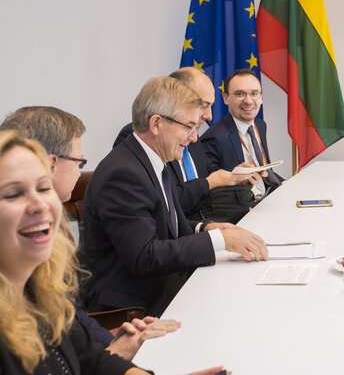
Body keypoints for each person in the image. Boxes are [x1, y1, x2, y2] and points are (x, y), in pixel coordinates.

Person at [0, 106, 180, 360]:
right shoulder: (35, 235)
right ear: (51, 163)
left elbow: (65, 314)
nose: (38, 204)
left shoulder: (48, 228)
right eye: (79, 162)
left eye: (42, 189)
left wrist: (112, 350)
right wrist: (111, 352)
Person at [80, 76, 269, 317]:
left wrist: (206, 229)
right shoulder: (124, 173)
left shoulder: (154, 158)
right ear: (157, 123)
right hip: (133, 305)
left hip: (162, 286)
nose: (193, 138)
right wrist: (220, 240)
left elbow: (164, 225)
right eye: (188, 127)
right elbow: (145, 256)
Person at [113, 67, 263, 217]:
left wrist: (234, 178)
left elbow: (205, 183)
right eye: (203, 105)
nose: (210, 116)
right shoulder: (140, 136)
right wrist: (209, 184)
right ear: (178, 97)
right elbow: (162, 200)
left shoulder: (193, 138)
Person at [201, 69, 284, 199]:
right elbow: (209, 185)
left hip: (268, 197)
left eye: (254, 94)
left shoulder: (260, 125)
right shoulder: (214, 137)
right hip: (242, 207)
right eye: (240, 94)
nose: (248, 101)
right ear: (226, 98)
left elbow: (266, 170)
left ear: (261, 98)